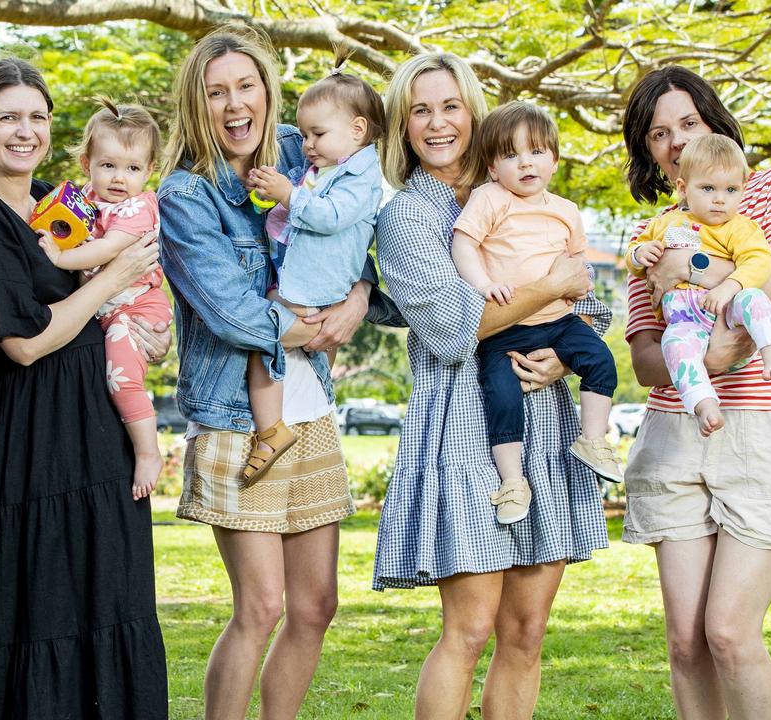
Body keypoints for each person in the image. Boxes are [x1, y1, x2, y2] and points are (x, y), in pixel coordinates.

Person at [158, 26, 395, 720]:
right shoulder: (185, 196)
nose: (235, 105)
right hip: (239, 417)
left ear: (268, 90)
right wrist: (323, 324)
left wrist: (357, 297)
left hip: (309, 406)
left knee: (316, 605)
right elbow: (235, 316)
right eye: (216, 92)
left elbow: (356, 242)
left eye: (246, 86)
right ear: (196, 106)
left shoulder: (304, 151)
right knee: (260, 607)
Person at [371, 52, 610, 719]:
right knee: (470, 629)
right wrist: (551, 288)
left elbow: (594, 298)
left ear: (474, 112)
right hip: (463, 422)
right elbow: (455, 325)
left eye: (450, 106)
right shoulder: (407, 221)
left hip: (543, 415)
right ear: (403, 125)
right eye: (420, 109)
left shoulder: (520, 187)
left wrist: (565, 354)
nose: (438, 122)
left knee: (526, 632)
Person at [0, 58, 168, 719]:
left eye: (37, 117)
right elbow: (25, 340)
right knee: (26, 604)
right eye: (8, 117)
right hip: (24, 437)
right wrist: (114, 275)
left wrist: (145, 327)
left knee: (104, 592)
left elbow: (110, 308)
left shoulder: (50, 206)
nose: (24, 130)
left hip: (89, 428)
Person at [620, 65, 771, 719]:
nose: (677, 141)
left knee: (730, 634)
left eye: (688, 122)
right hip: (677, 433)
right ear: (649, 153)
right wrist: (699, 344)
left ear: (714, 120)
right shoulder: (649, 238)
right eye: (659, 134)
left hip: (770, 426)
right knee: (686, 643)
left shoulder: (768, 190)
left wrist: (697, 269)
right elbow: (648, 359)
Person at [449, 100, 621, 524]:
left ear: (555, 160)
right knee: (503, 397)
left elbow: (577, 266)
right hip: (506, 329)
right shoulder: (490, 198)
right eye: (511, 155)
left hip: (558, 322)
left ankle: (593, 439)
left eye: (537, 152)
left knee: (601, 360)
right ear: (492, 168)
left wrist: (580, 286)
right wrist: (484, 285)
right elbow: (464, 244)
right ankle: (512, 481)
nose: (526, 163)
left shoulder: (566, 211)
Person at [238, 47, 385, 486]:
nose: (307, 145)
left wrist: (288, 193)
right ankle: (282, 425)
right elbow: (293, 219)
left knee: (262, 334)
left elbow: (328, 216)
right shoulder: (329, 167)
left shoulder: (362, 175)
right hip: (312, 282)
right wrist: (275, 196)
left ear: (357, 130)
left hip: (318, 288)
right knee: (295, 345)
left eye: (317, 134)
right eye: (303, 135)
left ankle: (270, 431)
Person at [38, 97, 171, 499]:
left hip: (135, 310)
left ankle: (149, 452)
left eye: (132, 168)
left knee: (121, 380)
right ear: (87, 165)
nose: (119, 177)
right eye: (107, 165)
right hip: (110, 310)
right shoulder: (88, 203)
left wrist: (61, 257)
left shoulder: (138, 208)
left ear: (149, 171)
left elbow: (106, 250)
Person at [625, 133, 771, 436]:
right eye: (708, 188)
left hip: (727, 310)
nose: (719, 199)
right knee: (674, 345)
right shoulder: (661, 224)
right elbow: (634, 264)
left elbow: (759, 262)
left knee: (753, 298)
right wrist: (639, 253)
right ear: (683, 189)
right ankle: (703, 402)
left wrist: (730, 286)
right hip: (686, 320)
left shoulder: (740, 227)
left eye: (731, 190)